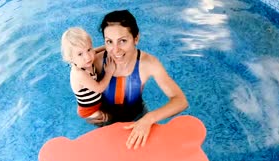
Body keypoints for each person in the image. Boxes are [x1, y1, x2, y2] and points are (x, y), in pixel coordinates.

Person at [92, 10, 188, 149]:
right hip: (105, 121)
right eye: (109, 42)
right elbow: (75, 64)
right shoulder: (97, 62)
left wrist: (148, 119)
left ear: (136, 38)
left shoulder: (148, 64)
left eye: (122, 41)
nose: (115, 50)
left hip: (138, 117)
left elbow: (181, 101)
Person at [61, 27, 116, 123]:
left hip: (96, 102)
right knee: (109, 119)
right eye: (80, 54)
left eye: (89, 49)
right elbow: (99, 88)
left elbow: (94, 51)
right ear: (70, 58)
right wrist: (109, 72)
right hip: (90, 111)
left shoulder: (85, 59)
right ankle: (93, 121)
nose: (87, 57)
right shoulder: (79, 74)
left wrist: (107, 47)